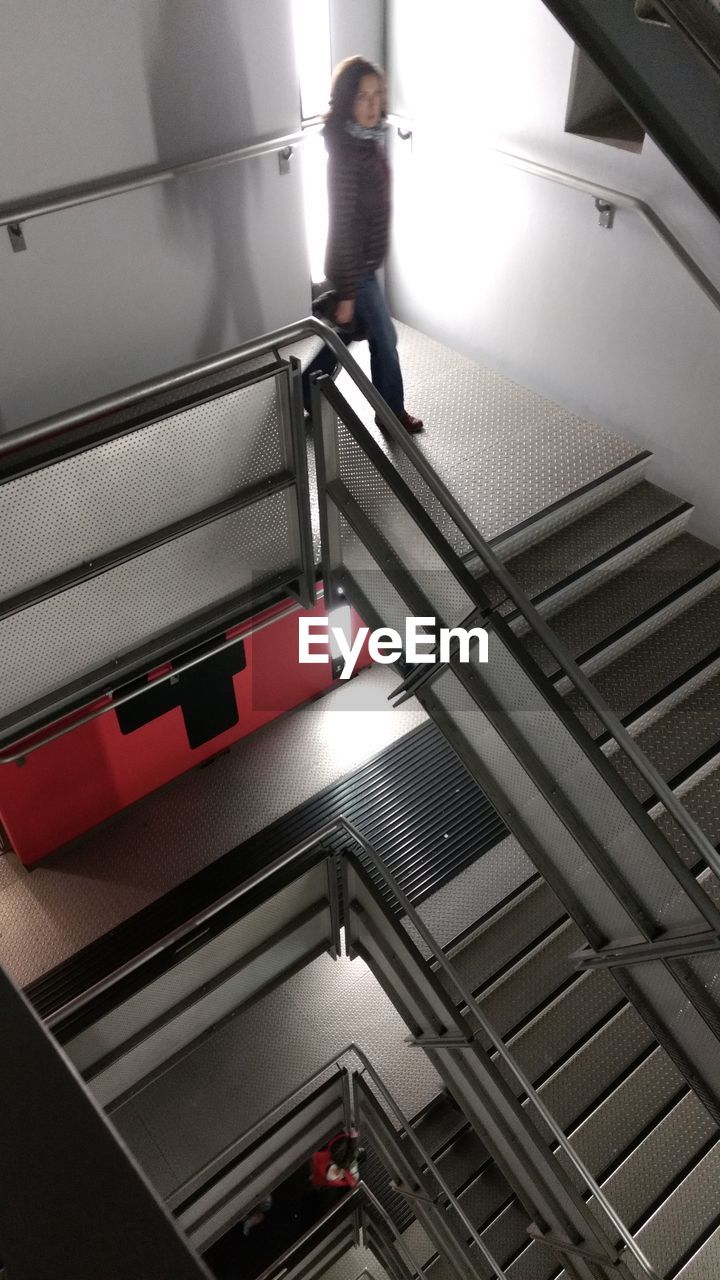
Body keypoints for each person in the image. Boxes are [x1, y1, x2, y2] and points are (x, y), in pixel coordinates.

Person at [303, 56, 424, 434]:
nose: (373, 105)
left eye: (377, 95)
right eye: (362, 97)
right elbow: (343, 224)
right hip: (353, 266)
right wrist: (350, 291)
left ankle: (303, 392)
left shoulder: (366, 140)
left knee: (350, 330)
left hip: (365, 262)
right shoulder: (346, 153)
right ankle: (391, 415)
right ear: (345, 101)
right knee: (384, 338)